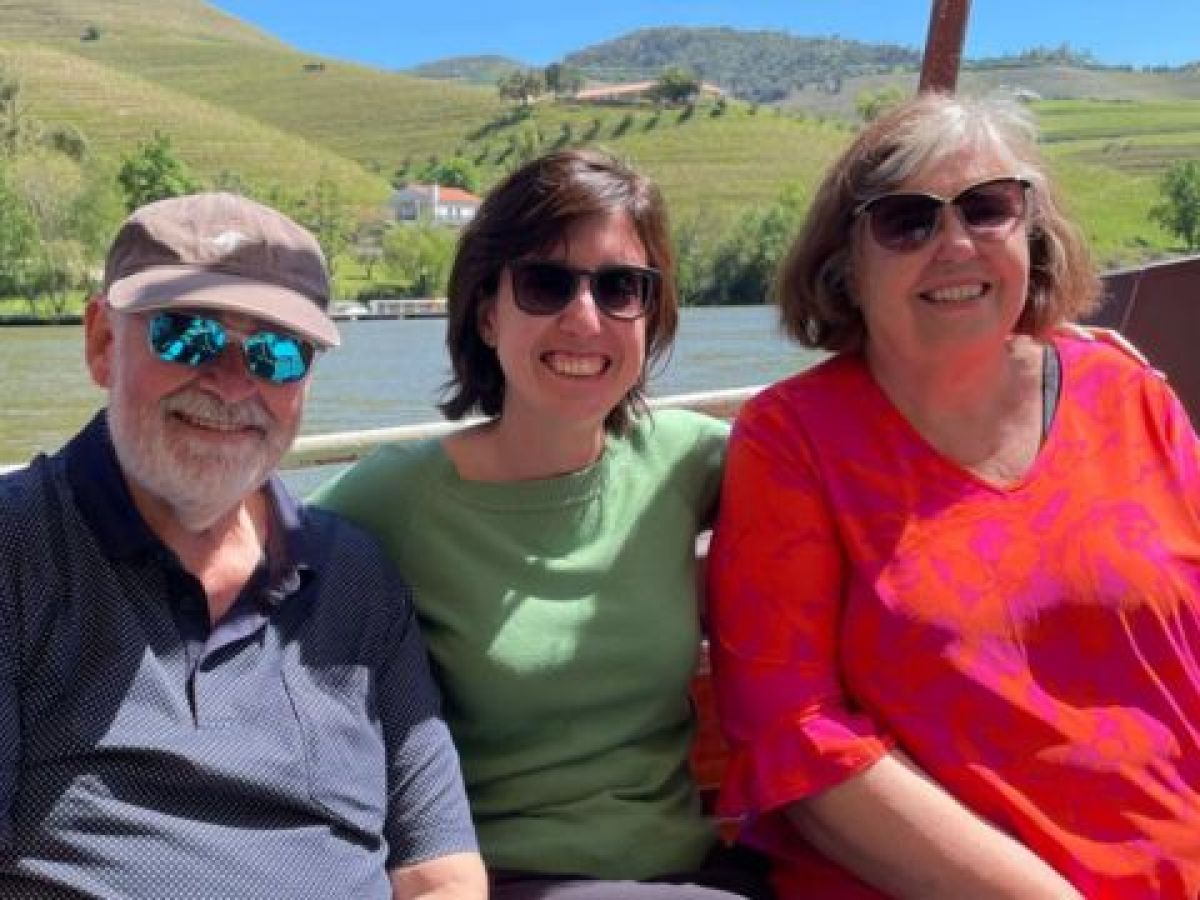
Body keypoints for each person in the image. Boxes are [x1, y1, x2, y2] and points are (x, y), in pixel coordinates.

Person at [708, 92, 1200, 900]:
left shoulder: (1128, 396)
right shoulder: (794, 440)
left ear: (1031, 233)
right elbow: (794, 733)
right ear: (845, 265)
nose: (956, 244)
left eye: (987, 207)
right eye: (907, 221)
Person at [0, 192, 485, 899]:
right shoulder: (17, 553)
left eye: (277, 352)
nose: (232, 383)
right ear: (103, 342)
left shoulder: (354, 576)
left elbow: (439, 872)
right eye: (185, 335)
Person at [313, 150, 770, 899]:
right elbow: (241, 556)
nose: (585, 318)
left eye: (621, 287)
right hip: (509, 879)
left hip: (692, 872)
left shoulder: (687, 461)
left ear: (651, 315)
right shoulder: (398, 499)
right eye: (545, 284)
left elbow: (848, 487)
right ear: (488, 312)